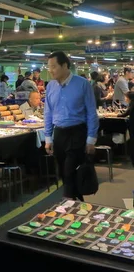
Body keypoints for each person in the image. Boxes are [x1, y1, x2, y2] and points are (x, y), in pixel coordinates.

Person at [44, 51, 98, 201]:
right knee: (64, 173)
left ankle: (67, 204)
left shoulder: (82, 84)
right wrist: (48, 137)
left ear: (65, 65)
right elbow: (48, 112)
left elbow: (91, 113)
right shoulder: (51, 87)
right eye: (49, 67)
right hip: (59, 133)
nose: (50, 70)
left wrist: (91, 140)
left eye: (54, 66)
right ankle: (77, 203)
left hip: (77, 133)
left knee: (69, 171)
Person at [118, 91, 134, 165]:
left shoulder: (132, 104)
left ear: (129, 98)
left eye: (125, 97)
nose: (125, 98)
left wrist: (117, 115)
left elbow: (125, 114)